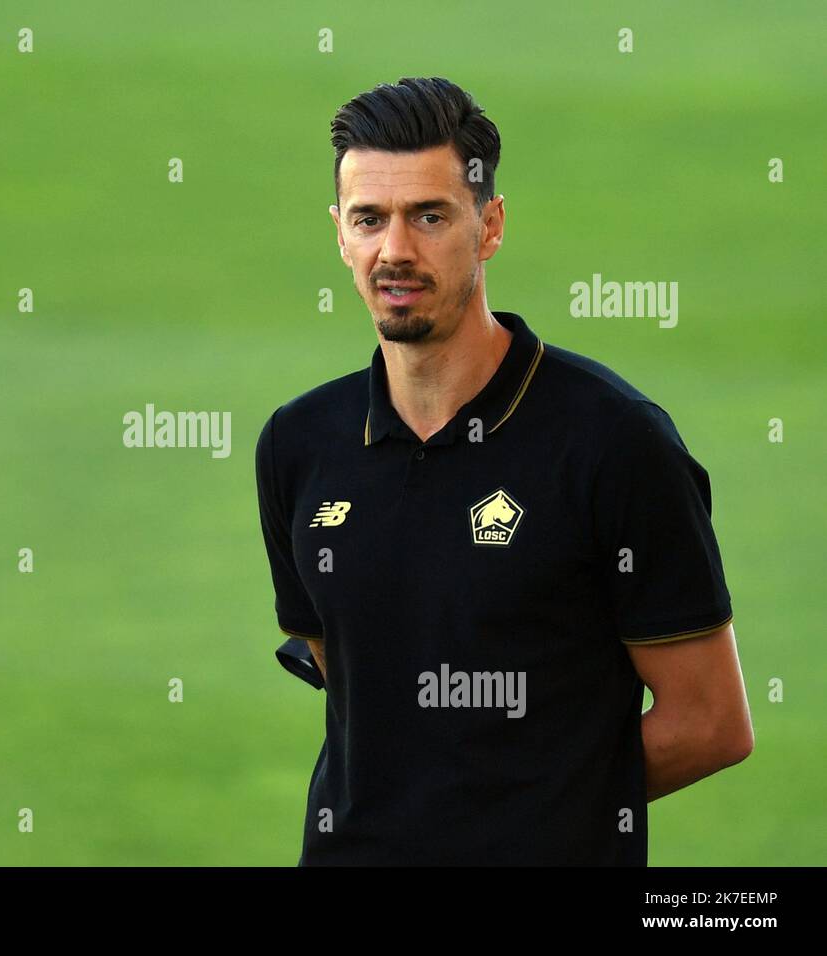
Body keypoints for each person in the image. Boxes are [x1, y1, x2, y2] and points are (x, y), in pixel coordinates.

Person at [256, 78, 753, 865]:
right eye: (369, 220)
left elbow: (711, 724)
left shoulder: (615, 442)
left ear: (489, 226)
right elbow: (347, 679)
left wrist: (511, 827)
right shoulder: (299, 443)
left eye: (429, 216)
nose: (396, 251)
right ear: (339, 236)